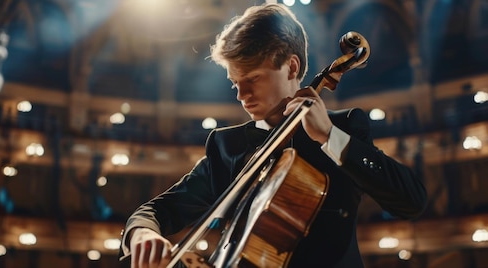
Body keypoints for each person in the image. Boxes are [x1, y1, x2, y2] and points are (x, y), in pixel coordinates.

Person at [119, 3, 427, 268]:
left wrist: (328, 136)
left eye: (252, 78)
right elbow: (154, 211)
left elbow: (411, 200)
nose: (241, 95)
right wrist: (142, 234)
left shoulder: (345, 128)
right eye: (234, 82)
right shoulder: (227, 146)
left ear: (291, 67)